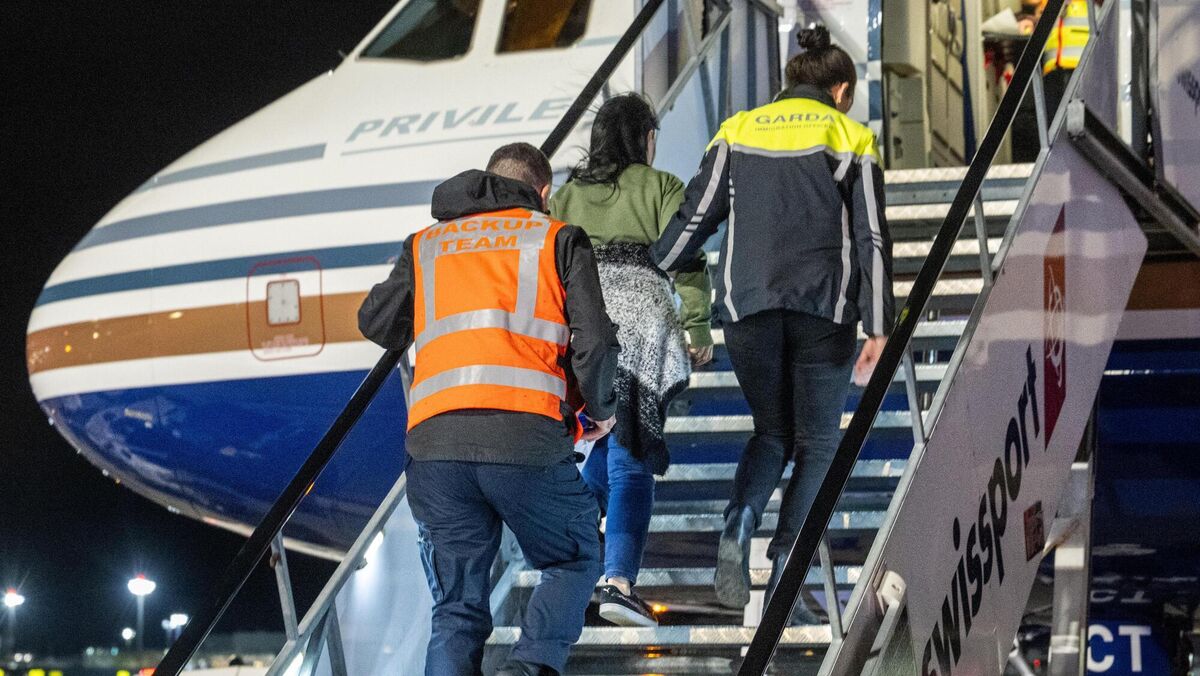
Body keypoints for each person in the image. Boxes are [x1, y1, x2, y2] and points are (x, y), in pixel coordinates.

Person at [650, 26, 895, 621]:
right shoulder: (851, 136)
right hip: (823, 310)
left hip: (748, 310)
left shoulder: (737, 130)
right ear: (839, 90)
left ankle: (738, 519)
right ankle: (786, 560)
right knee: (817, 442)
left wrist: (653, 267)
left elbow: (696, 216)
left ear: (789, 84)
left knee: (771, 433)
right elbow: (872, 238)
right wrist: (880, 326)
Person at [358, 142, 621, 676]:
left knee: (456, 607)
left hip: (434, 447)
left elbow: (376, 323)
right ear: (543, 193)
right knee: (573, 558)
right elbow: (594, 341)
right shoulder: (556, 238)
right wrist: (601, 409)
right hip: (526, 438)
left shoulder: (427, 244)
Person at [548, 94, 713, 627]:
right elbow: (685, 254)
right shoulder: (660, 186)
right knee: (631, 454)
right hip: (642, 322)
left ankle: (565, 549)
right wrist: (698, 323)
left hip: (584, 323)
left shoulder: (565, 197)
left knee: (604, 442)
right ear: (644, 139)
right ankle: (618, 580)